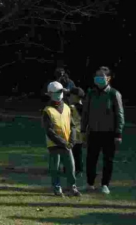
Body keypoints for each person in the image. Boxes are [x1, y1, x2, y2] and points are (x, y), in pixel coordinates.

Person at [81, 66, 124, 195]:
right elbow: (85, 113)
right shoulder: (91, 94)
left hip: (109, 133)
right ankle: (90, 184)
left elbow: (119, 115)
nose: (99, 79)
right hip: (93, 132)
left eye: (102, 76)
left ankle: (105, 184)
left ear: (108, 78)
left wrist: (118, 133)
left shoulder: (114, 94)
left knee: (108, 160)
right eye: (97, 76)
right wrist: (83, 130)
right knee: (91, 159)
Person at [42, 82, 80, 197]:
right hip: (54, 144)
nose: (59, 94)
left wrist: (72, 140)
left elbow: (72, 125)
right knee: (55, 169)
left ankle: (72, 187)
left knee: (71, 167)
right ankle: (57, 188)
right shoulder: (47, 110)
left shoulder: (67, 108)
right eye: (56, 92)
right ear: (50, 94)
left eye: (60, 92)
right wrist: (63, 142)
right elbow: (49, 131)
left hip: (67, 144)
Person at [68, 87, 86, 179]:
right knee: (78, 153)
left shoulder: (71, 107)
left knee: (71, 152)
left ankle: (73, 169)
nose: (69, 97)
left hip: (74, 133)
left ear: (75, 97)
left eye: (70, 95)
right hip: (81, 134)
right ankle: (79, 169)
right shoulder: (84, 107)